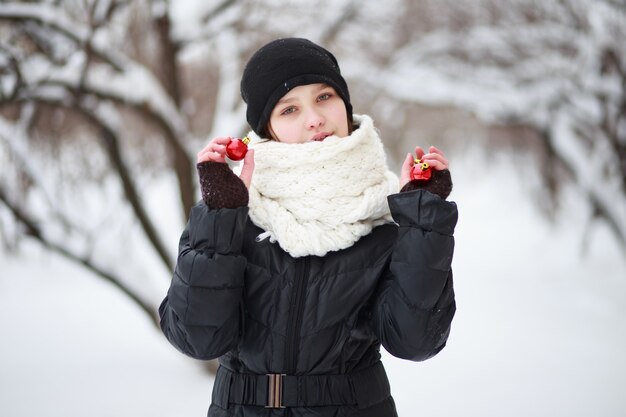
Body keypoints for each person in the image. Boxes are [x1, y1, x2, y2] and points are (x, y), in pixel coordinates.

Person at [159, 37, 457, 417]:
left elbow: (416, 341)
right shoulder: (239, 213)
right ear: (266, 129)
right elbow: (198, 339)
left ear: (344, 105)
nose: (314, 118)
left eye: (324, 97)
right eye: (289, 109)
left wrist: (424, 219)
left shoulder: (384, 213)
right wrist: (219, 216)